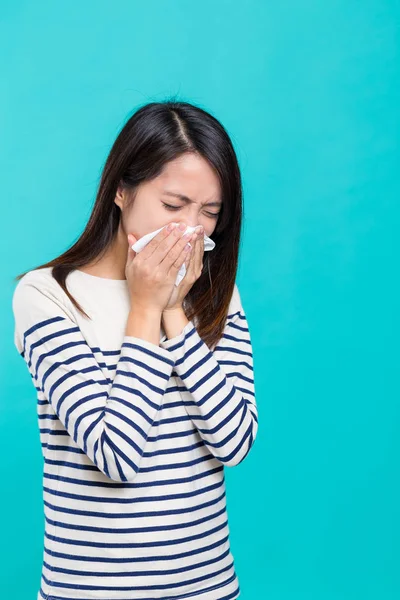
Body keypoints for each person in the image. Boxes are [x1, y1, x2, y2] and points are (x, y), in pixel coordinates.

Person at [12, 100, 259, 600]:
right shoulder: (48, 296)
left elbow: (235, 443)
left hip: (208, 588)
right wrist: (145, 310)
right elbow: (117, 455)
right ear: (122, 190)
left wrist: (174, 313)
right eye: (173, 206)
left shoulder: (216, 293)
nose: (193, 229)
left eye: (210, 213)